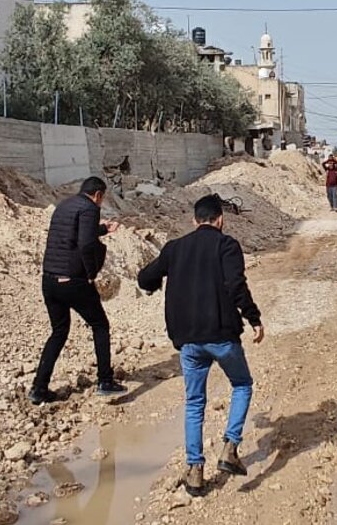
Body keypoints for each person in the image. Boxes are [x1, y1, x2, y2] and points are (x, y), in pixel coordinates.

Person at [137, 194, 264, 493]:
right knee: (242, 384)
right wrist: (253, 318)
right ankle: (230, 448)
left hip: (188, 341)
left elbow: (145, 278)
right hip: (221, 336)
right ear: (220, 220)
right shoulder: (227, 245)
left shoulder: (174, 248)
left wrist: (157, 283)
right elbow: (236, 285)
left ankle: (195, 471)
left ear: (195, 221)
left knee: (195, 403)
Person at [31, 177, 128, 404]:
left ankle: (39, 388)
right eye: (101, 199)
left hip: (49, 280)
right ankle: (105, 381)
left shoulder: (64, 205)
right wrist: (91, 272)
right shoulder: (89, 208)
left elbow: (76, 234)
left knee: (59, 331)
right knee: (100, 325)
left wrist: (103, 229)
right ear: (97, 195)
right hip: (73, 281)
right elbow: (85, 243)